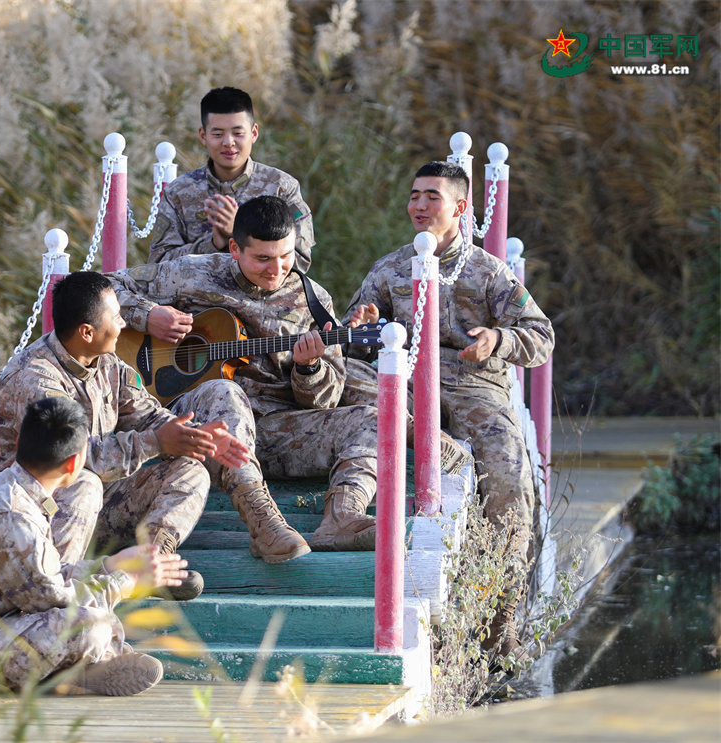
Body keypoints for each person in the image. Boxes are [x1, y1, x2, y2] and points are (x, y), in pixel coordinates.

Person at [344, 161, 555, 656]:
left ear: (460, 207)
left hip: (473, 386)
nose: (419, 205)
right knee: (347, 386)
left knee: (509, 475)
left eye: (432, 197)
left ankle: (501, 625)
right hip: (405, 383)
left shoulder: (488, 270)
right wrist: (361, 324)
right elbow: (353, 338)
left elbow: (541, 336)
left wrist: (497, 340)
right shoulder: (389, 268)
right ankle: (419, 441)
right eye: (414, 195)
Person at [111, 195, 383, 552]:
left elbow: (326, 401)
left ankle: (343, 516)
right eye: (263, 259)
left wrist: (310, 368)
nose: (277, 269)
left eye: (286, 256)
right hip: (197, 429)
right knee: (226, 392)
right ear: (235, 249)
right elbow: (101, 286)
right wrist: (148, 315)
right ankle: (264, 525)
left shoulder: (313, 301)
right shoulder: (190, 273)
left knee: (372, 420)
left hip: (274, 433)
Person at [0, 271, 250, 600]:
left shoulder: (106, 362)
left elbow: (145, 413)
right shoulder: (36, 379)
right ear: (87, 332)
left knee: (190, 470)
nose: (123, 324)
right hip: (37, 515)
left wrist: (193, 436)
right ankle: (62, 589)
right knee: (84, 482)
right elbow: (74, 458)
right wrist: (156, 442)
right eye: (116, 317)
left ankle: (153, 565)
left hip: (100, 503)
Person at [0, 397, 187, 695]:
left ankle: (76, 673)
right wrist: (126, 582)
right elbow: (54, 601)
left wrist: (108, 565)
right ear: (75, 462)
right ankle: (75, 674)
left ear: (19, 442)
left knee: (93, 616)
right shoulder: (14, 517)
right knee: (89, 625)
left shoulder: (8, 489)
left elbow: (46, 578)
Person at [147, 86, 315, 272]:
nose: (228, 142)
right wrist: (212, 244)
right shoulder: (178, 192)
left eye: (238, 133)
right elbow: (159, 266)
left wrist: (240, 232)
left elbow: (300, 260)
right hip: (196, 292)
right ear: (203, 136)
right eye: (218, 134)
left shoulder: (281, 188)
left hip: (263, 292)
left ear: (254, 133)